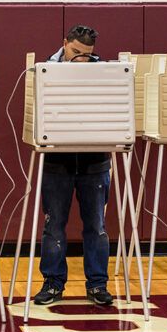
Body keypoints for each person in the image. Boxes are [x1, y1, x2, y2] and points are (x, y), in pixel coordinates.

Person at [34, 25, 114, 306]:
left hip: (95, 161)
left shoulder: (105, 73)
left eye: (88, 55)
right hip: (57, 160)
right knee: (53, 226)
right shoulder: (44, 70)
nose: (81, 59)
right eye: (75, 52)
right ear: (64, 43)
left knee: (97, 226)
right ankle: (53, 283)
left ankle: (97, 285)